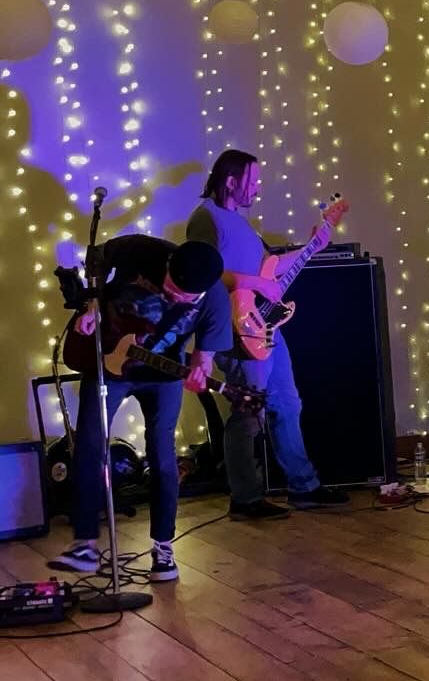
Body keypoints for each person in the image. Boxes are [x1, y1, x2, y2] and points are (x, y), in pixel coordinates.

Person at [49, 236, 231, 581]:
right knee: (89, 445)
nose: (171, 297)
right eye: (169, 286)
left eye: (182, 297)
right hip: (109, 361)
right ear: (169, 263)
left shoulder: (216, 302)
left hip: (163, 377)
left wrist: (199, 372)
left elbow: (203, 360)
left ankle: (163, 548)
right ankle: (84, 544)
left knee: (162, 456)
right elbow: (97, 260)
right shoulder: (139, 250)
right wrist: (91, 305)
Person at [186, 149, 348, 519]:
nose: (258, 188)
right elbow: (203, 272)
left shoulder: (241, 224)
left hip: (264, 326)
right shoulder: (205, 218)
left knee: (287, 403)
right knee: (249, 412)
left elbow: (269, 268)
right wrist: (255, 283)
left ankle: (304, 487)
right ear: (231, 181)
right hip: (233, 328)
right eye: (253, 181)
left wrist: (314, 245)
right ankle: (245, 498)